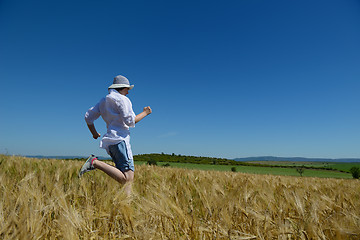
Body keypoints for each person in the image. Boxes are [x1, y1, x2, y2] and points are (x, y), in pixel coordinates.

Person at [79, 75, 152, 194]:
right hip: (121, 140)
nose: (128, 92)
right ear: (122, 88)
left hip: (110, 143)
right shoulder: (123, 100)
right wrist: (145, 112)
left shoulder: (104, 100)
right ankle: (95, 162)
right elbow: (130, 121)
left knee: (126, 178)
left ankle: (126, 207)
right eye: (127, 89)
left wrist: (94, 133)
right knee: (128, 178)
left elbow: (88, 117)